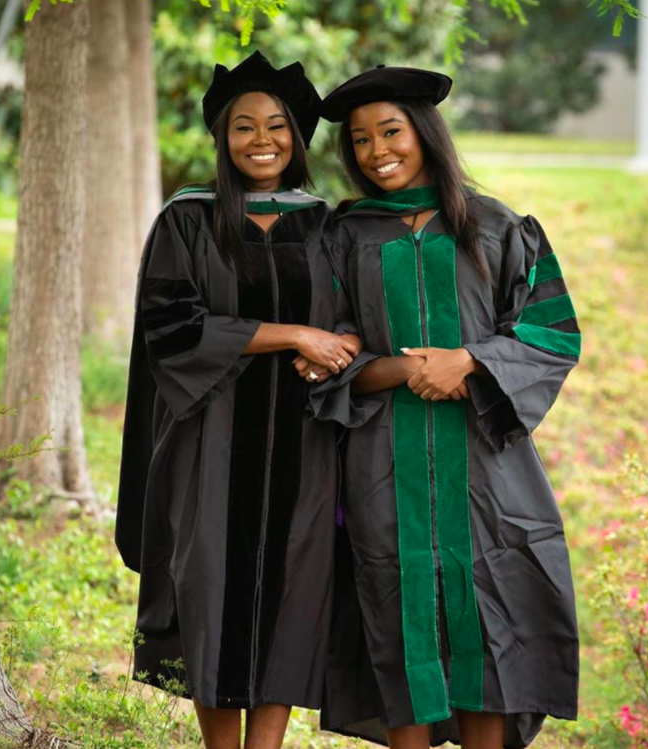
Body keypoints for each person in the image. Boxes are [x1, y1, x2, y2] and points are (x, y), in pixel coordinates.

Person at [308, 65, 581, 749]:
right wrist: (401, 368)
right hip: (380, 467)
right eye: (361, 141)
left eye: (390, 132)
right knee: (398, 616)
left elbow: (551, 332)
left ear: (424, 133)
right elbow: (324, 357)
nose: (377, 152)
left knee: (489, 617)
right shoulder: (343, 237)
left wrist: (469, 361)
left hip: (485, 469)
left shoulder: (496, 227)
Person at [115, 51, 360, 749]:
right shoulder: (187, 220)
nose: (261, 139)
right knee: (211, 587)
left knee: (292, 586)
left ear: (298, 135)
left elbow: (351, 318)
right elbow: (170, 326)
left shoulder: (324, 224)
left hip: (304, 442)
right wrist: (294, 335)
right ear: (221, 137)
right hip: (210, 437)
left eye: (277, 126)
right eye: (243, 125)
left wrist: (335, 347)